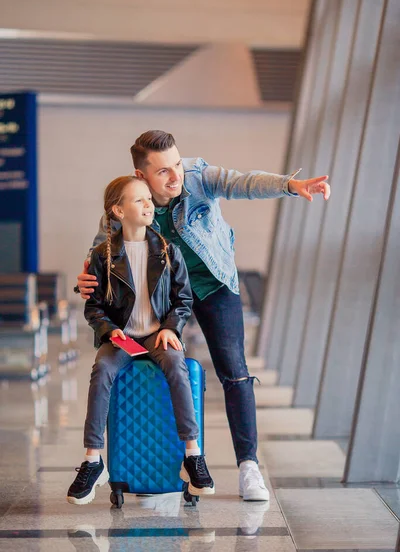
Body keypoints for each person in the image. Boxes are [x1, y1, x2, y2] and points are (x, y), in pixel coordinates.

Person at [77, 130, 331, 502]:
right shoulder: (131, 198)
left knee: (234, 370)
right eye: (163, 171)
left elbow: (242, 183)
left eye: (177, 164)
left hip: (214, 285)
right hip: (163, 299)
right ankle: (154, 463)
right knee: (154, 364)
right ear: (142, 174)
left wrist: (289, 185)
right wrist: (85, 277)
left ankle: (249, 467)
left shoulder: (197, 177)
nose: (176, 176)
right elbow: (102, 249)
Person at [67, 175, 215, 505]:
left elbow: (183, 300)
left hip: (156, 335)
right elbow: (93, 307)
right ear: (118, 211)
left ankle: (193, 454)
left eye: (149, 199)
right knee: (102, 370)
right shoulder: (102, 256)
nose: (149, 204)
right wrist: (109, 331)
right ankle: (93, 459)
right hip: (121, 338)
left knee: (176, 365)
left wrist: (170, 328)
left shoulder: (168, 252)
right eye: (139, 200)